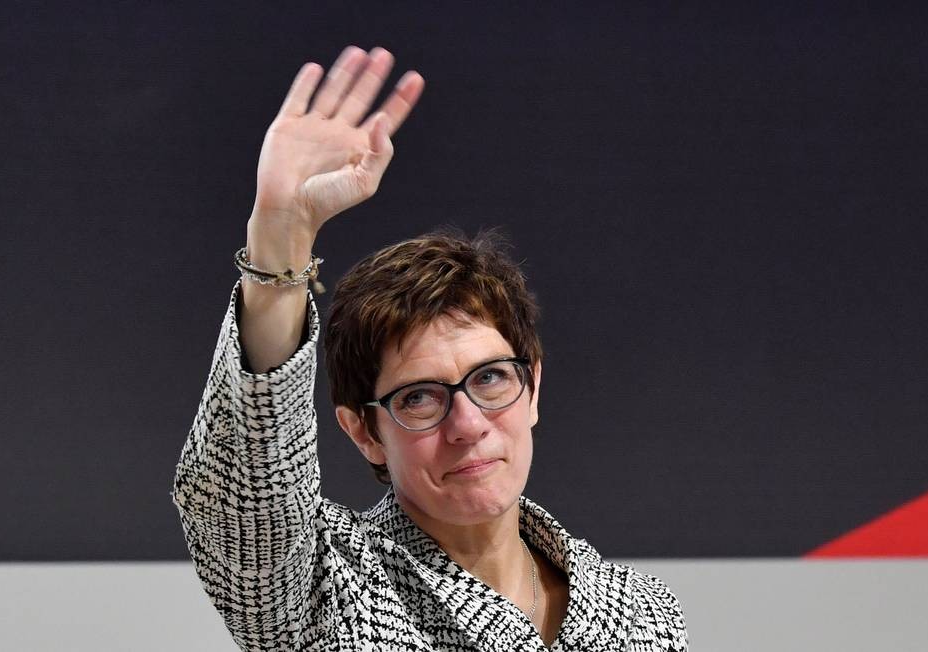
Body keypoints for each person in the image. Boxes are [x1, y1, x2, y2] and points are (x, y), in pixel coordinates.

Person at [172, 45, 688, 651]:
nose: (468, 425)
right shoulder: (331, 594)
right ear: (364, 432)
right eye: (420, 397)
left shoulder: (641, 616)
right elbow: (245, 508)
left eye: (491, 378)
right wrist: (280, 240)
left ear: (535, 388)